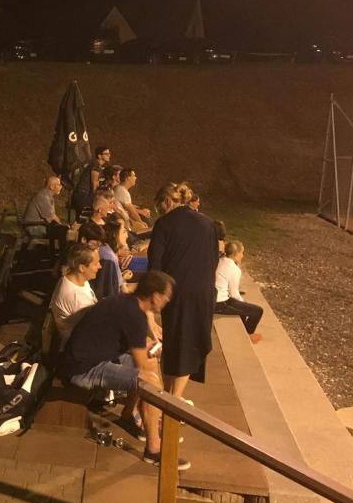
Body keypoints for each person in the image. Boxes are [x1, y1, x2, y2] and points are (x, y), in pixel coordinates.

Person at [60, 270, 190, 469]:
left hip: (89, 356)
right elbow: (141, 366)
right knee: (150, 380)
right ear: (155, 296)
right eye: (166, 297)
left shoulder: (125, 303)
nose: (168, 301)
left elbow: (126, 340)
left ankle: (130, 414)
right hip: (83, 368)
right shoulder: (134, 315)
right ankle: (153, 449)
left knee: (150, 366)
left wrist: (147, 348)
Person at [147, 182, 219, 400]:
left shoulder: (164, 224)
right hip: (203, 291)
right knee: (190, 344)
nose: (160, 210)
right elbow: (214, 259)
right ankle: (174, 396)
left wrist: (151, 303)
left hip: (175, 292)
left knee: (174, 343)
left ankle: (172, 399)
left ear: (168, 201)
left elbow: (155, 266)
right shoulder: (207, 223)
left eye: (160, 205)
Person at [51, 243, 100, 346]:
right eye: (96, 264)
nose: (100, 266)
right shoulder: (77, 297)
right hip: (83, 346)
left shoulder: (74, 278)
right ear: (82, 268)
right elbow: (94, 330)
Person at [214, 240, 263, 341]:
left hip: (212, 298)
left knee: (242, 309)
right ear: (235, 254)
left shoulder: (220, 261)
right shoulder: (233, 269)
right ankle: (248, 335)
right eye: (242, 253)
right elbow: (234, 294)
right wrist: (244, 303)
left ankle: (243, 334)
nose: (242, 256)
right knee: (257, 311)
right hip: (219, 303)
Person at [23, 175, 74, 241]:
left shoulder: (48, 196)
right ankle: (62, 248)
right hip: (34, 227)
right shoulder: (43, 197)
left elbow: (53, 216)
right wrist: (63, 226)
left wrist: (63, 225)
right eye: (59, 185)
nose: (61, 187)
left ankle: (59, 247)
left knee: (65, 229)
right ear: (52, 187)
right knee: (64, 231)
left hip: (40, 225)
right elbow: (50, 219)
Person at [70, 145, 111, 219]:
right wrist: (97, 198)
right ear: (99, 156)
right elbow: (94, 183)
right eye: (106, 154)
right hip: (83, 195)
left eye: (109, 153)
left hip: (83, 194)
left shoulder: (97, 166)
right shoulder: (96, 165)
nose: (109, 155)